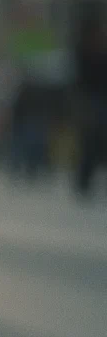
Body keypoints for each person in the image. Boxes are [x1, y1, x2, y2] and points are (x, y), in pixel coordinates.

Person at [73, 12, 107, 198]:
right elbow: (82, 79)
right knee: (89, 141)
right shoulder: (83, 51)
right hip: (90, 101)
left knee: (96, 140)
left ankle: (87, 178)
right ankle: (83, 179)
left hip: (100, 100)